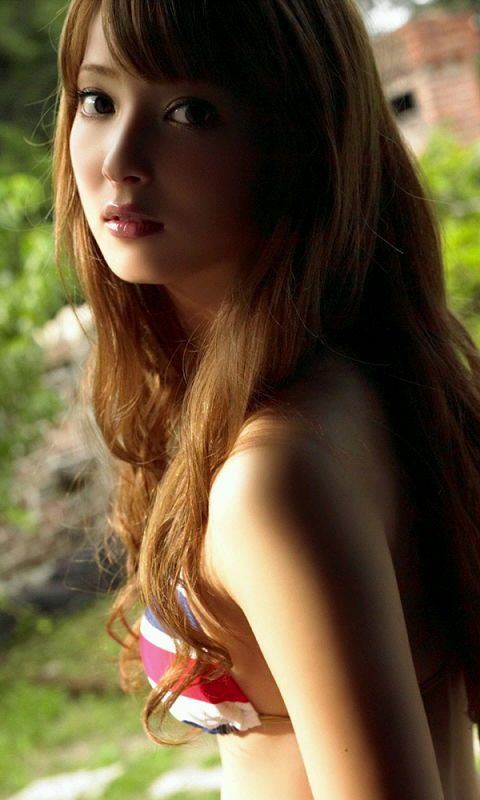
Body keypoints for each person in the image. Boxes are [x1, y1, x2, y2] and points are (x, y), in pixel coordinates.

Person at [53, 0, 480, 797]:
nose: (119, 159)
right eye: (98, 99)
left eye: (190, 111)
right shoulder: (360, 377)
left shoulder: (274, 476)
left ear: (298, 139)